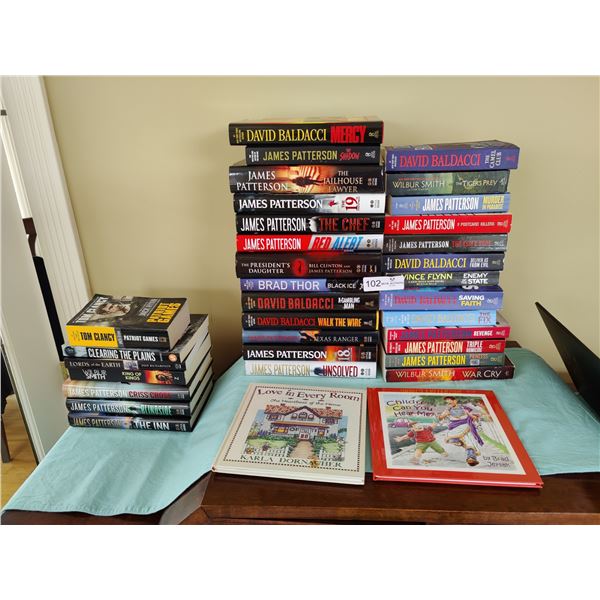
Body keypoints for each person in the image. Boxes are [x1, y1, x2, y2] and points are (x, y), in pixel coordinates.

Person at [438, 396, 483, 466]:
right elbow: (440, 418)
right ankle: (462, 444)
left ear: (455, 401)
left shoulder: (464, 408)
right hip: (454, 427)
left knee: (469, 440)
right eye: (448, 403)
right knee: (450, 438)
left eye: (450, 402)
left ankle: (471, 458)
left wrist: (469, 414)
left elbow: (475, 417)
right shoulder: (448, 410)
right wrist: (444, 415)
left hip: (465, 426)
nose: (449, 404)